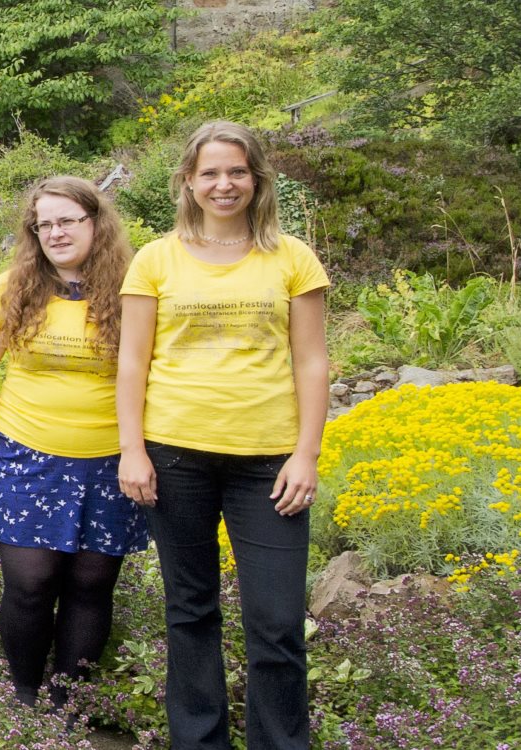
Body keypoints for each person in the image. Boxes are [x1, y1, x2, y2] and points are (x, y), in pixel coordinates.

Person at [117, 120, 330, 750]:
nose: (224, 184)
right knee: (189, 612)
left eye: (236, 171)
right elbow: (132, 361)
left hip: (267, 462)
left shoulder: (292, 257)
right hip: (174, 455)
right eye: (210, 172)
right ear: (188, 181)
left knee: (279, 623)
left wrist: (306, 454)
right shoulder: (156, 258)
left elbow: (312, 361)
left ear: (257, 179)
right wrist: (132, 449)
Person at [0, 176, 148, 706]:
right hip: (25, 452)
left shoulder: (134, 287)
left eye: (68, 220)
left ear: (96, 223)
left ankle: (68, 703)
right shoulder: (15, 286)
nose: (56, 232)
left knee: (90, 585)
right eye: (45, 224)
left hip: (111, 457)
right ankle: (24, 697)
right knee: (30, 581)